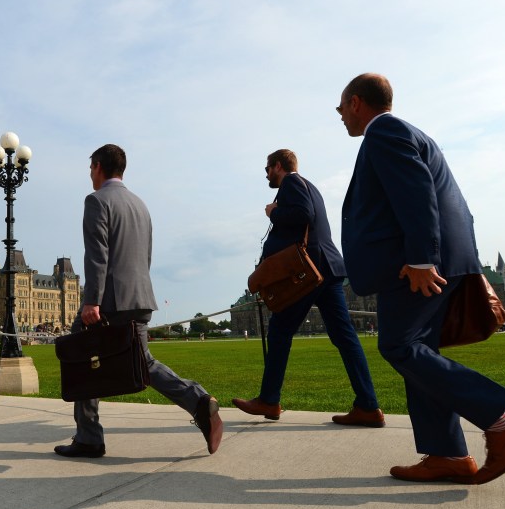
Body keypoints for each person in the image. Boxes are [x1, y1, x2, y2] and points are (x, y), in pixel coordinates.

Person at [337, 73, 505, 484]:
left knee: (400, 346)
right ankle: (448, 454)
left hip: (414, 266)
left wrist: (422, 258)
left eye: (341, 107)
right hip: (435, 260)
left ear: (357, 102)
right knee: (419, 352)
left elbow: (416, 193)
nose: (341, 115)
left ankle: (503, 422)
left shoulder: (384, 132)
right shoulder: (411, 133)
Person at [54, 144, 223, 458]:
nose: (90, 174)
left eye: (90, 168)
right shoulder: (140, 205)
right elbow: (145, 255)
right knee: (142, 363)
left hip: (110, 299)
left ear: (99, 167)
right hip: (140, 295)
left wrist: (92, 302)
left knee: (80, 356)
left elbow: (97, 255)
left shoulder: (96, 200)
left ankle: (89, 437)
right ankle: (198, 400)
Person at [233, 149, 384, 427]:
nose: (266, 175)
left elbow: (304, 214)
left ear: (278, 166)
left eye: (267, 169)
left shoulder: (291, 182)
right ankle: (368, 405)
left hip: (309, 272)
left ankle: (269, 400)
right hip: (329, 269)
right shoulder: (310, 186)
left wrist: (274, 212)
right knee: (345, 337)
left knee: (280, 331)